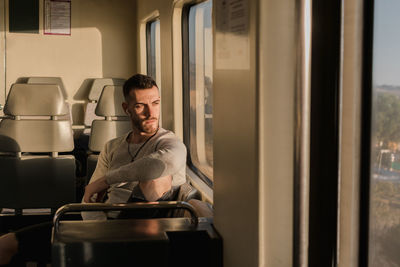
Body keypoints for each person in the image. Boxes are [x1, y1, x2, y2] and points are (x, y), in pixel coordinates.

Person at [0, 74, 187, 265]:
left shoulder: (169, 143)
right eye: (140, 106)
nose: (151, 112)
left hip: (143, 228)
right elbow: (89, 201)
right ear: (127, 109)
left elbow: (160, 164)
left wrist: (106, 180)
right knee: (5, 245)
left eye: (155, 103)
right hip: (104, 225)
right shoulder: (112, 147)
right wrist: (100, 228)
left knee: (154, 179)